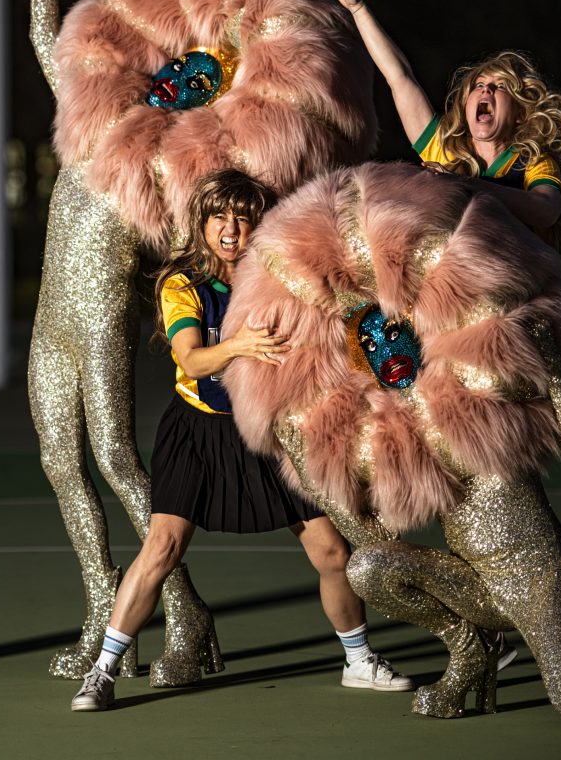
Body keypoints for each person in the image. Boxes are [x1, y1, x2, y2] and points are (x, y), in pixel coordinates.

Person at [71, 169, 413, 711]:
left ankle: (358, 659)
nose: (230, 228)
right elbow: (191, 357)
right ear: (201, 223)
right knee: (162, 548)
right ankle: (102, 671)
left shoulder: (278, 276)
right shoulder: (182, 285)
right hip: (199, 431)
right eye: (218, 217)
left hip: (269, 429)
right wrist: (240, 344)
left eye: (242, 216)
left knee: (331, 551)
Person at [321, 0, 561, 523]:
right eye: (478, 84)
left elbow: (546, 210)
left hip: (556, 318)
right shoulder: (445, 155)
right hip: (477, 327)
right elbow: (398, 77)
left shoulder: (530, 160)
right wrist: (357, 8)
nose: (486, 91)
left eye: (499, 87)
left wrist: (469, 190)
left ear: (515, 108)